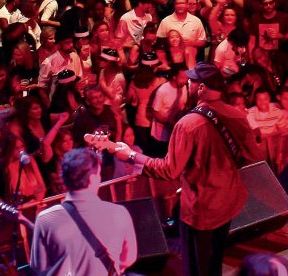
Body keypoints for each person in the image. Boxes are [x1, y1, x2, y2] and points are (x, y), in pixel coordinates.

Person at [102, 63, 258, 276]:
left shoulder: (188, 124)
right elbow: (254, 155)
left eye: (192, 82)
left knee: (197, 268)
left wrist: (130, 155)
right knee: (215, 260)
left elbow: (169, 170)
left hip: (202, 209)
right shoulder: (236, 114)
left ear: (201, 88)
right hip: (229, 200)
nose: (188, 85)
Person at [29, 147, 137, 276]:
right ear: (92, 178)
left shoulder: (45, 219)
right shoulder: (119, 213)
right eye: (99, 174)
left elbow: (40, 268)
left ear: (64, 180)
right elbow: (128, 258)